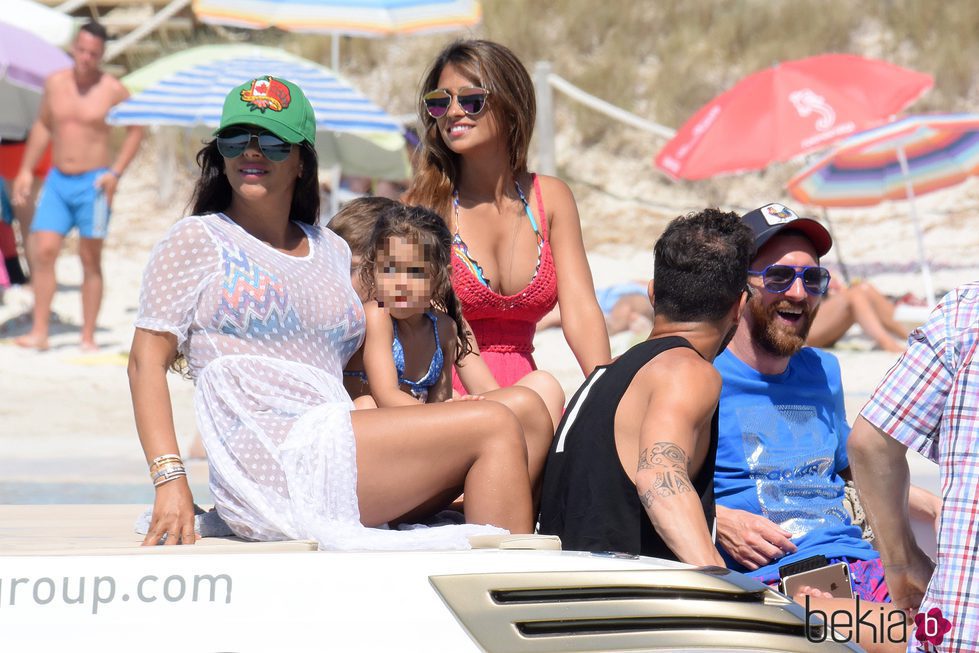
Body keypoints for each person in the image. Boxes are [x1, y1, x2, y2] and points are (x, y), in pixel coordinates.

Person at [129, 76, 552, 550]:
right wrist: (170, 480)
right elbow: (146, 362)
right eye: (235, 140)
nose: (251, 152)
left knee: (526, 410)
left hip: (335, 436)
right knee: (492, 425)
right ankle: (505, 575)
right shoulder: (198, 240)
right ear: (219, 155)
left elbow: (389, 332)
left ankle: (490, 546)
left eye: (272, 141)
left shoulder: (330, 249)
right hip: (273, 463)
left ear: (301, 163)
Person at [712, 203, 940, 650]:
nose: (798, 293)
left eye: (812, 279)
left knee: (957, 620)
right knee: (926, 640)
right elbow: (641, 479)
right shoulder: (701, 376)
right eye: (779, 277)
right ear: (740, 285)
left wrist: (936, 507)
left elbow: (851, 468)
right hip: (776, 587)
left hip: (861, 567)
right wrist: (716, 519)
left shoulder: (823, 371)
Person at [537, 208, 754, 566]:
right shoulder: (687, 372)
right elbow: (658, 479)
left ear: (653, 294)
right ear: (740, 306)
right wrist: (725, 585)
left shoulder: (606, 375)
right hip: (629, 605)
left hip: (562, 594)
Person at [404, 39, 611, 394]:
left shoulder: (551, 199)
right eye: (440, 103)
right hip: (449, 398)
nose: (453, 112)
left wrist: (606, 394)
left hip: (529, 396)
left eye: (471, 99)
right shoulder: (421, 208)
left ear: (511, 106)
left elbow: (581, 312)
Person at [330, 199, 564, 467]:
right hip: (381, 432)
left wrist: (461, 406)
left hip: (423, 425)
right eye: (390, 269)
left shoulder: (442, 323)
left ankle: (525, 493)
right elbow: (386, 395)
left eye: (414, 271)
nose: (400, 282)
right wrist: (455, 411)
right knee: (367, 405)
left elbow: (462, 393)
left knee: (543, 386)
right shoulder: (366, 317)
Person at [849, 282, 979, 652]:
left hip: (957, 631)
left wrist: (901, 559)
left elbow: (870, 442)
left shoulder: (966, 312)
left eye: (813, 278)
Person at [10, 21, 144, 351]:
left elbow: (137, 127)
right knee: (43, 249)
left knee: (89, 257)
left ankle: (87, 336)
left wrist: (115, 172)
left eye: (94, 54)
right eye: (82, 50)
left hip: (94, 184)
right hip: (58, 180)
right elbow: (43, 124)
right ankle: (40, 331)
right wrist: (27, 169)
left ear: (102, 55)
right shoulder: (55, 83)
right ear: (73, 48)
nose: (86, 58)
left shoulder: (112, 88)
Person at [807, 277, 908, 353]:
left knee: (865, 288)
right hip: (804, 331)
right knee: (855, 296)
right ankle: (890, 345)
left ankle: (911, 335)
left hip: (818, 311)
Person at [538, 281, 654, 336]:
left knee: (555, 314)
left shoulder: (638, 301)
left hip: (589, 303)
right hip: (591, 299)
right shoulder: (639, 294)